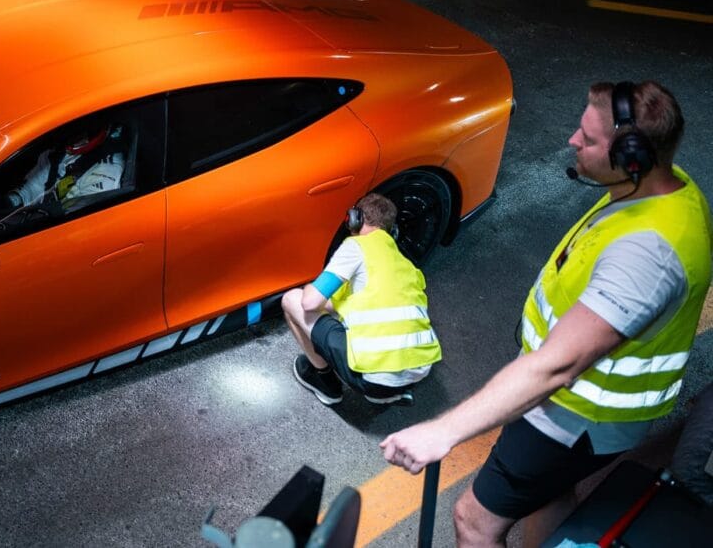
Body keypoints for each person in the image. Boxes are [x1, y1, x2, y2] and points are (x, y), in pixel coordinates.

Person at [381, 80, 712, 548]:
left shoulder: (648, 255)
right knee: (548, 495)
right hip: (577, 410)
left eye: (589, 139)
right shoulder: (659, 188)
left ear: (632, 159)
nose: (573, 141)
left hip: (573, 416)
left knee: (474, 522)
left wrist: (443, 430)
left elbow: (557, 364)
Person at [283, 193, 441, 407]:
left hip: (375, 377)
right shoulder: (406, 264)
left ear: (354, 219)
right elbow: (356, 304)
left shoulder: (355, 247)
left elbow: (310, 302)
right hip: (418, 372)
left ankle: (325, 383)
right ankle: (394, 391)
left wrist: (312, 287)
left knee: (292, 299)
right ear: (391, 231)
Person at [6, 123, 128, 212]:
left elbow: (79, 218)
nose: (77, 138)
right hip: (41, 213)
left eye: (84, 133)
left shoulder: (108, 170)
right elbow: (35, 186)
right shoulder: (56, 153)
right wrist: (14, 200)